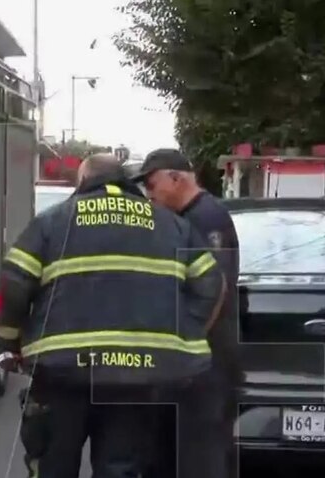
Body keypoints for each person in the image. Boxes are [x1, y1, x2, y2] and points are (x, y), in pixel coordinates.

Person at [0, 153, 226, 478]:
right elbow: (210, 283)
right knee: (121, 468)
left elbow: (15, 283)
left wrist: (6, 342)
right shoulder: (174, 226)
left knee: (53, 466)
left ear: (84, 181)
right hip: (135, 378)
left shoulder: (52, 222)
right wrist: (179, 333)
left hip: (61, 374)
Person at [132, 148, 243, 478]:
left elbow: (215, 291)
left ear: (176, 178)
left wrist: (185, 347)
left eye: (152, 186)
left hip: (207, 365)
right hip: (194, 364)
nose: (149, 195)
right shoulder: (188, 219)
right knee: (176, 452)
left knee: (200, 458)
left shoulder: (206, 218)